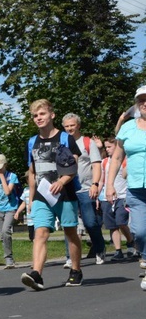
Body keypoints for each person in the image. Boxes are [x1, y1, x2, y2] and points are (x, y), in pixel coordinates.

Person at [20, 99, 83, 291]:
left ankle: (76, 270)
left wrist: (61, 182)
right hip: (42, 195)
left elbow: (73, 165)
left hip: (65, 193)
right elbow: (32, 172)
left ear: (52, 115)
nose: (38, 118)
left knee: (70, 232)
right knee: (40, 232)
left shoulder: (65, 138)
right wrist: (31, 198)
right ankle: (36, 274)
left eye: (42, 114)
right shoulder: (32, 142)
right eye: (35, 116)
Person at [107, 86, 146, 284]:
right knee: (139, 232)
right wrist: (109, 185)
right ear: (137, 104)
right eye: (141, 99)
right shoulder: (128, 128)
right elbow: (116, 158)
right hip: (137, 189)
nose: (145, 102)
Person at [62, 113, 106, 264]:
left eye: (72, 125)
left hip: (85, 189)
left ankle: (99, 248)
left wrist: (95, 184)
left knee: (90, 222)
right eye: (66, 126)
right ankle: (70, 257)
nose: (69, 129)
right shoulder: (62, 143)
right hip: (67, 189)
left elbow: (96, 164)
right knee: (69, 223)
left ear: (78, 125)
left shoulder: (87, 142)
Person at [100, 137, 134, 262]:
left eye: (109, 147)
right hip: (107, 197)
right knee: (112, 225)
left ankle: (131, 242)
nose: (107, 149)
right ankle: (118, 250)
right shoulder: (104, 162)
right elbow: (101, 180)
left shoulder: (125, 161)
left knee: (121, 221)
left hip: (122, 195)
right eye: (106, 147)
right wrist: (98, 195)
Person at [14, 172, 35, 242]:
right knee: (31, 237)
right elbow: (23, 203)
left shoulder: (38, 189)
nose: (28, 181)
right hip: (30, 219)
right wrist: (17, 212)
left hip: (37, 218)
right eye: (27, 179)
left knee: (39, 237)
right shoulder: (26, 190)